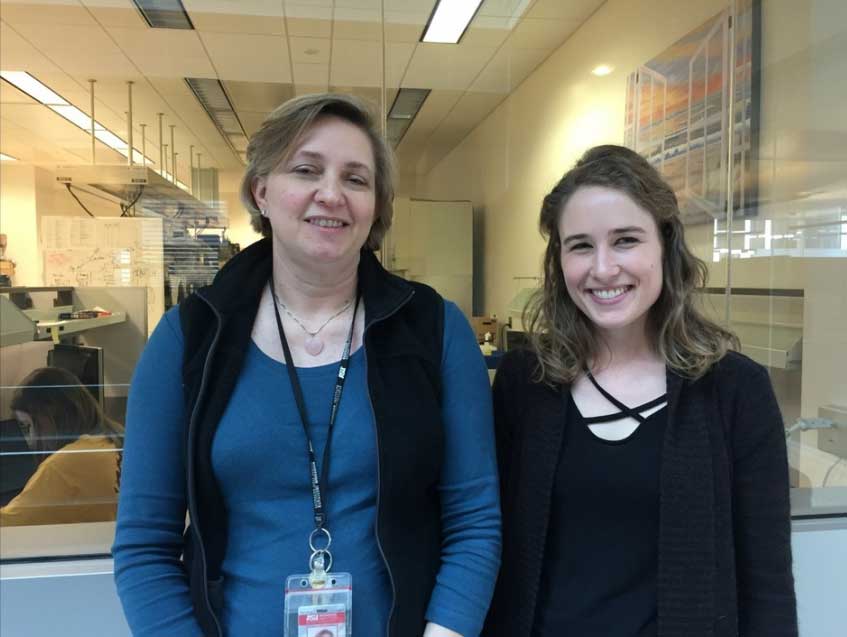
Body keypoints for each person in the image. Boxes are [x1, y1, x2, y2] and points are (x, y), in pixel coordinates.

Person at [113, 93, 500, 637]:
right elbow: (144, 548)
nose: (331, 194)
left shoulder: (436, 331)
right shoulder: (189, 338)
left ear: (377, 206)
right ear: (262, 191)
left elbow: (474, 523)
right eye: (306, 169)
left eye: (357, 179)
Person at [484, 145, 797, 636]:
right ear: (559, 260)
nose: (603, 268)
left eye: (626, 240)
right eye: (581, 245)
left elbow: (768, 584)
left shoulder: (735, 391)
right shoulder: (526, 382)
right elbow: (490, 548)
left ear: (665, 246)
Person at [0, 367, 122, 526]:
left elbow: (9, 526)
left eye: (28, 426)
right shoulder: (115, 439)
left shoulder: (67, 464)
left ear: (50, 416)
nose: (30, 440)